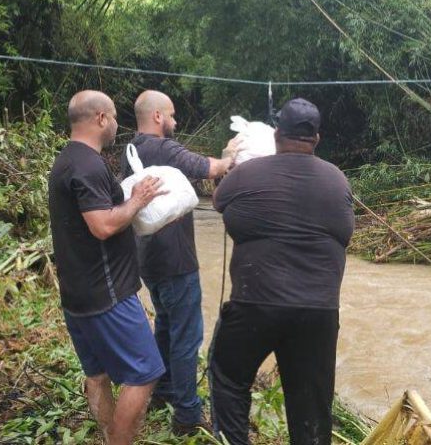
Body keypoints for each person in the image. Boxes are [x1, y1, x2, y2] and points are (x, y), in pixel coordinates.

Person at [208, 98, 355, 445]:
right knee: (311, 404)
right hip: (318, 312)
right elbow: (345, 234)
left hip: (255, 305)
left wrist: (229, 165)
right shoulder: (337, 179)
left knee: (228, 378)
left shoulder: (247, 173)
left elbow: (218, 202)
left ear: (277, 135)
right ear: (316, 138)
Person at [48, 90, 167, 445]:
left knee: (97, 373)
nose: (116, 124)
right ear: (101, 118)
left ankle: (106, 436)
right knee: (145, 373)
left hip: (76, 293)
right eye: (114, 117)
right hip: (107, 295)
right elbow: (102, 225)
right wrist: (137, 200)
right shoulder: (88, 165)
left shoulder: (65, 160)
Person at [120, 90, 239, 435]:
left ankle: (164, 390)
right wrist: (229, 157)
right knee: (187, 336)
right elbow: (208, 168)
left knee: (166, 325)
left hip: (149, 259)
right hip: (175, 260)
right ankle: (187, 414)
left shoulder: (132, 150)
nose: (175, 121)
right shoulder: (162, 148)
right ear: (157, 116)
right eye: (171, 115)